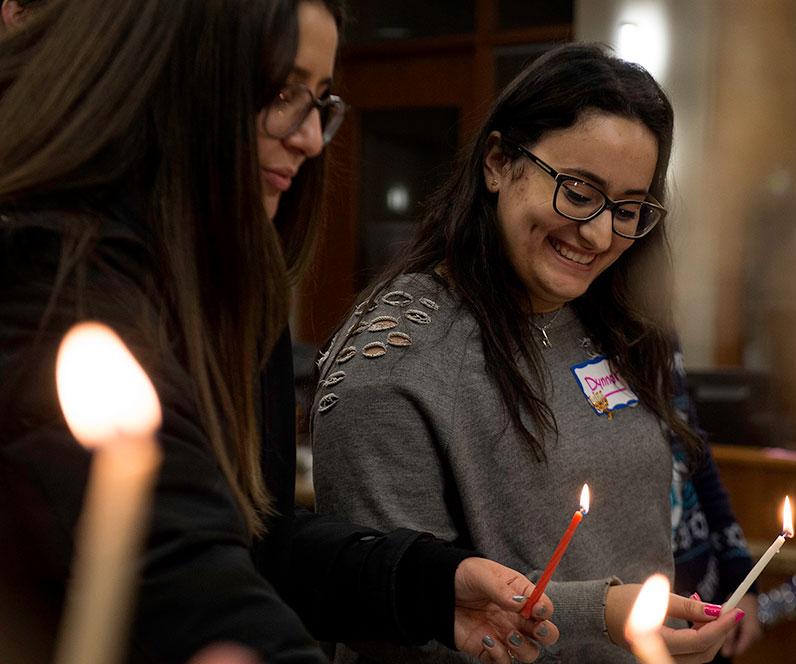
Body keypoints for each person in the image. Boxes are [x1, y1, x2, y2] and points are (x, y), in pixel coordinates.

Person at [0, 1, 559, 663]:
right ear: (174, 76)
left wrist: (425, 583)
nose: (311, 138)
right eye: (283, 92)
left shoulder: (228, 292)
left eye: (320, 102)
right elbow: (178, 569)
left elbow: (259, 545)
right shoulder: (45, 277)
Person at [310, 43, 742, 663]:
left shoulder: (612, 320)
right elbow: (394, 617)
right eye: (577, 190)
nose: (597, 233)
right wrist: (602, 616)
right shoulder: (398, 360)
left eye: (626, 209)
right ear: (497, 162)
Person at [669, 353, 762, 662]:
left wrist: (741, 580)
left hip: (709, 599)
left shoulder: (661, 334)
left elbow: (697, 457)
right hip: (641, 615)